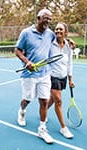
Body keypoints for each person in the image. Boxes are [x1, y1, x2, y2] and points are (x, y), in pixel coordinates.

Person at [15, 9, 55, 144]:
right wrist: (27, 62)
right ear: (38, 18)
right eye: (46, 18)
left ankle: (42, 128)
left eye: (50, 19)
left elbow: (59, 40)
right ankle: (22, 110)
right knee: (27, 99)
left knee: (44, 101)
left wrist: (68, 41)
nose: (48, 21)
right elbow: (17, 50)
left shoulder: (50, 34)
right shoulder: (26, 33)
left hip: (45, 74)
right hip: (29, 75)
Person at [48, 22, 75, 139]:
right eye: (56, 29)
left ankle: (43, 110)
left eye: (61, 29)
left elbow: (70, 63)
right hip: (52, 76)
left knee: (53, 100)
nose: (58, 31)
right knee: (58, 101)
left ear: (65, 32)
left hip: (63, 77)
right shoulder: (50, 43)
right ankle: (63, 127)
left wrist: (70, 79)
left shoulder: (68, 46)